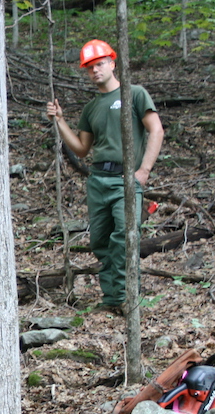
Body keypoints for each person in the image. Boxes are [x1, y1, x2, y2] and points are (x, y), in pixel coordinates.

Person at [46, 39, 164, 315]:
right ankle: (111, 298)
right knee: (100, 239)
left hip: (126, 179)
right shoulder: (91, 108)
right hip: (98, 179)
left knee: (124, 236)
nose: (95, 71)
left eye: (100, 64)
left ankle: (125, 297)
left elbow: (156, 130)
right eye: (89, 67)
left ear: (112, 63)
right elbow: (82, 149)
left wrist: (144, 170)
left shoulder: (134, 94)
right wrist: (60, 120)